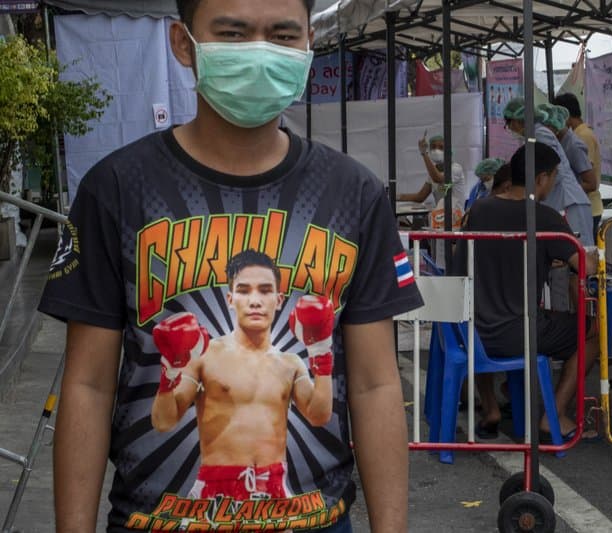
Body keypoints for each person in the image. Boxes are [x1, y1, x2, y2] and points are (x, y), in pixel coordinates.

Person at [38, 0, 423, 531]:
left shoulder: (353, 193)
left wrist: (318, 355)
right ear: (183, 43)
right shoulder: (118, 188)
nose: (260, 54)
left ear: (309, 45)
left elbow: (375, 385)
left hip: (309, 517)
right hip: (165, 520)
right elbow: (89, 385)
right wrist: (174, 370)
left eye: (282, 36)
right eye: (234, 34)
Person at [150, 250, 334, 501]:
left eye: (265, 291)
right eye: (244, 291)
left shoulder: (290, 364)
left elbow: (319, 416)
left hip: (274, 489)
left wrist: (321, 352)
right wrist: (169, 373)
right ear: (230, 299)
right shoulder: (206, 356)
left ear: (279, 299)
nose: (255, 301)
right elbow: (164, 422)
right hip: (214, 491)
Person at [454, 142, 599, 441]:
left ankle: (492, 407)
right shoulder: (544, 217)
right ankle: (554, 415)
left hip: (472, 332)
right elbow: (587, 266)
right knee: (592, 332)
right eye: (554, 176)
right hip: (519, 332)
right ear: (541, 178)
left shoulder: (479, 209)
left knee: (488, 312)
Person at [503, 97, 594, 247]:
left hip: (568, 202)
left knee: (579, 249)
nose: (510, 128)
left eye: (509, 123)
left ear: (518, 120)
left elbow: (552, 170)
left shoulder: (540, 134)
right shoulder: (533, 136)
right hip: (560, 201)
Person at [553, 93, 603, 240]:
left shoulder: (581, 137)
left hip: (588, 207)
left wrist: (563, 190)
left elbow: (590, 180)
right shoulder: (575, 134)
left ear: (565, 115)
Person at [398, 132, 467, 216]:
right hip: (441, 217)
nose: (436, 150)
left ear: (448, 151)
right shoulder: (433, 171)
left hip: (456, 217)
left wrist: (424, 154)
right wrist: (397, 197)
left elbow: (438, 179)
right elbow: (420, 197)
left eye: (441, 147)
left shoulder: (455, 168)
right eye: (433, 147)